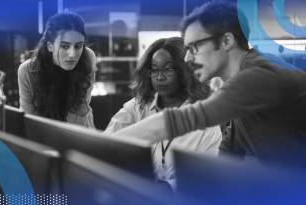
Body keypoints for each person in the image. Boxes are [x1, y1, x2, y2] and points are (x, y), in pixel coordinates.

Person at [113, 1, 306, 171]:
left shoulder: (259, 76)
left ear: (227, 41)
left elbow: (180, 121)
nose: (187, 58)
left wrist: (104, 149)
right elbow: (230, 152)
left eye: (194, 47)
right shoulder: (239, 85)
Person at [104, 37, 222, 190]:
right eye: (154, 69)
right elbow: (104, 148)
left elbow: (205, 186)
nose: (160, 77)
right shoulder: (136, 108)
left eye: (168, 69)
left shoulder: (206, 124)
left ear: (186, 70)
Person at [18, 11, 97, 128]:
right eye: (64, 46)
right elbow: (28, 119)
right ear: (50, 46)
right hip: (42, 136)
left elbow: (80, 110)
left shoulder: (88, 57)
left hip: (80, 132)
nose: (72, 54)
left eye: (78, 46)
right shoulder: (27, 71)